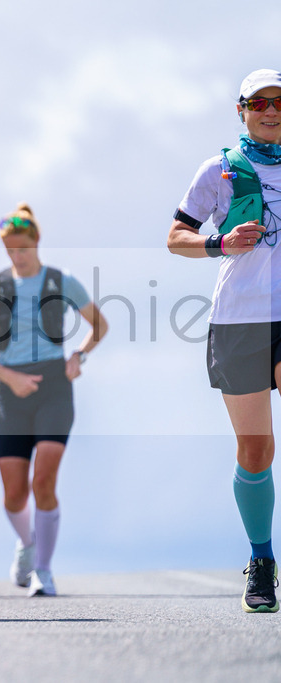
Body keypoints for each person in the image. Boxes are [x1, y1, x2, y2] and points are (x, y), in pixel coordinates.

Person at [167, 68, 281, 613]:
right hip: (239, 319)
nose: (272, 110)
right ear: (242, 110)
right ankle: (261, 560)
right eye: (260, 102)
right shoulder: (219, 169)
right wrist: (220, 242)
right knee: (255, 450)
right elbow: (176, 237)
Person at [0, 202, 107, 597]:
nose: (17, 254)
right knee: (13, 494)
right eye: (10, 248)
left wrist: (79, 355)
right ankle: (27, 544)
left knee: (43, 480)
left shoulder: (62, 281)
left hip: (54, 385)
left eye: (23, 246)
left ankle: (43, 570)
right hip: (11, 390)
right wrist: (8, 377)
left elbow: (100, 325)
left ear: (36, 242)